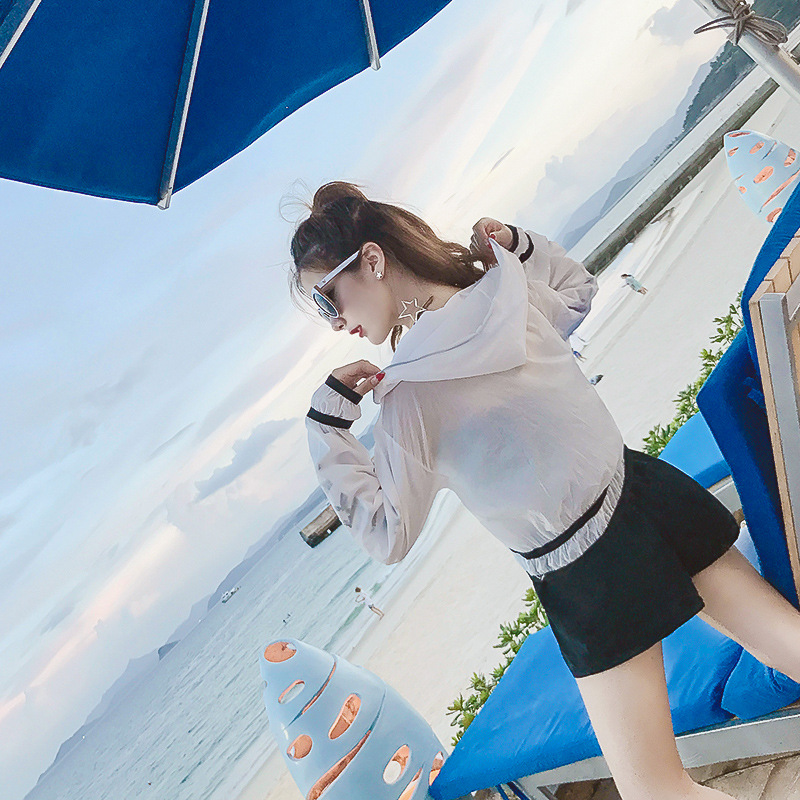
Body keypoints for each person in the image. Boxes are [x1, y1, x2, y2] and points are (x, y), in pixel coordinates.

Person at [290, 181, 800, 800]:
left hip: (586, 572)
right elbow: (579, 291)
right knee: (787, 643)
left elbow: (388, 534)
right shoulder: (504, 289)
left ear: (372, 260)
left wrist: (327, 427)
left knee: (656, 789)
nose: (336, 322)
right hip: (645, 492)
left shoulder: (408, 399)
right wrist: (519, 245)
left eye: (326, 299)